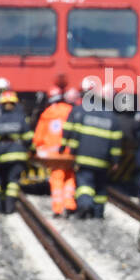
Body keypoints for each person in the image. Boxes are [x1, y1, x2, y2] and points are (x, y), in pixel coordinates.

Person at [65, 85, 124, 218]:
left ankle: (85, 205)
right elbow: (116, 144)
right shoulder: (113, 118)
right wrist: (115, 161)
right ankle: (98, 213)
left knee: (84, 185)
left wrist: (72, 153)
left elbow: (76, 136)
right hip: (102, 162)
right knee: (100, 188)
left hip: (83, 160)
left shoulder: (85, 113)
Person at [0, 90, 33, 214]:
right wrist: (32, 150)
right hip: (18, 156)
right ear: (15, 104)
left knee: (1, 180)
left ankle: (1, 205)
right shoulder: (21, 119)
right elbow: (28, 138)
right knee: (13, 180)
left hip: (2, 156)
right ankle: (10, 206)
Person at [32, 87, 76, 216]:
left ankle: (58, 208)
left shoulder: (47, 113)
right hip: (69, 152)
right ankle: (69, 204)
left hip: (53, 155)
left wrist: (36, 148)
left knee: (56, 178)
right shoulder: (71, 111)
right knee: (69, 176)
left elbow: (38, 138)